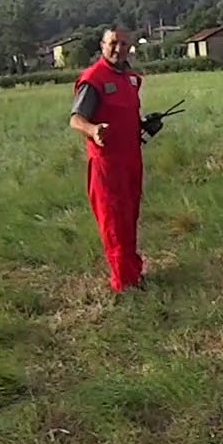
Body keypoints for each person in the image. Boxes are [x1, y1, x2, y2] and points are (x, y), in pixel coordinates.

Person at [69, 26, 147, 294]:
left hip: (132, 160)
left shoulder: (131, 78)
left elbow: (125, 116)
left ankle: (133, 272)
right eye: (113, 43)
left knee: (129, 218)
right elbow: (76, 119)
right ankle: (124, 284)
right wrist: (93, 130)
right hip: (107, 165)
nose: (118, 48)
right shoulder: (93, 80)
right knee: (114, 222)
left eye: (124, 44)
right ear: (102, 45)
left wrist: (144, 125)